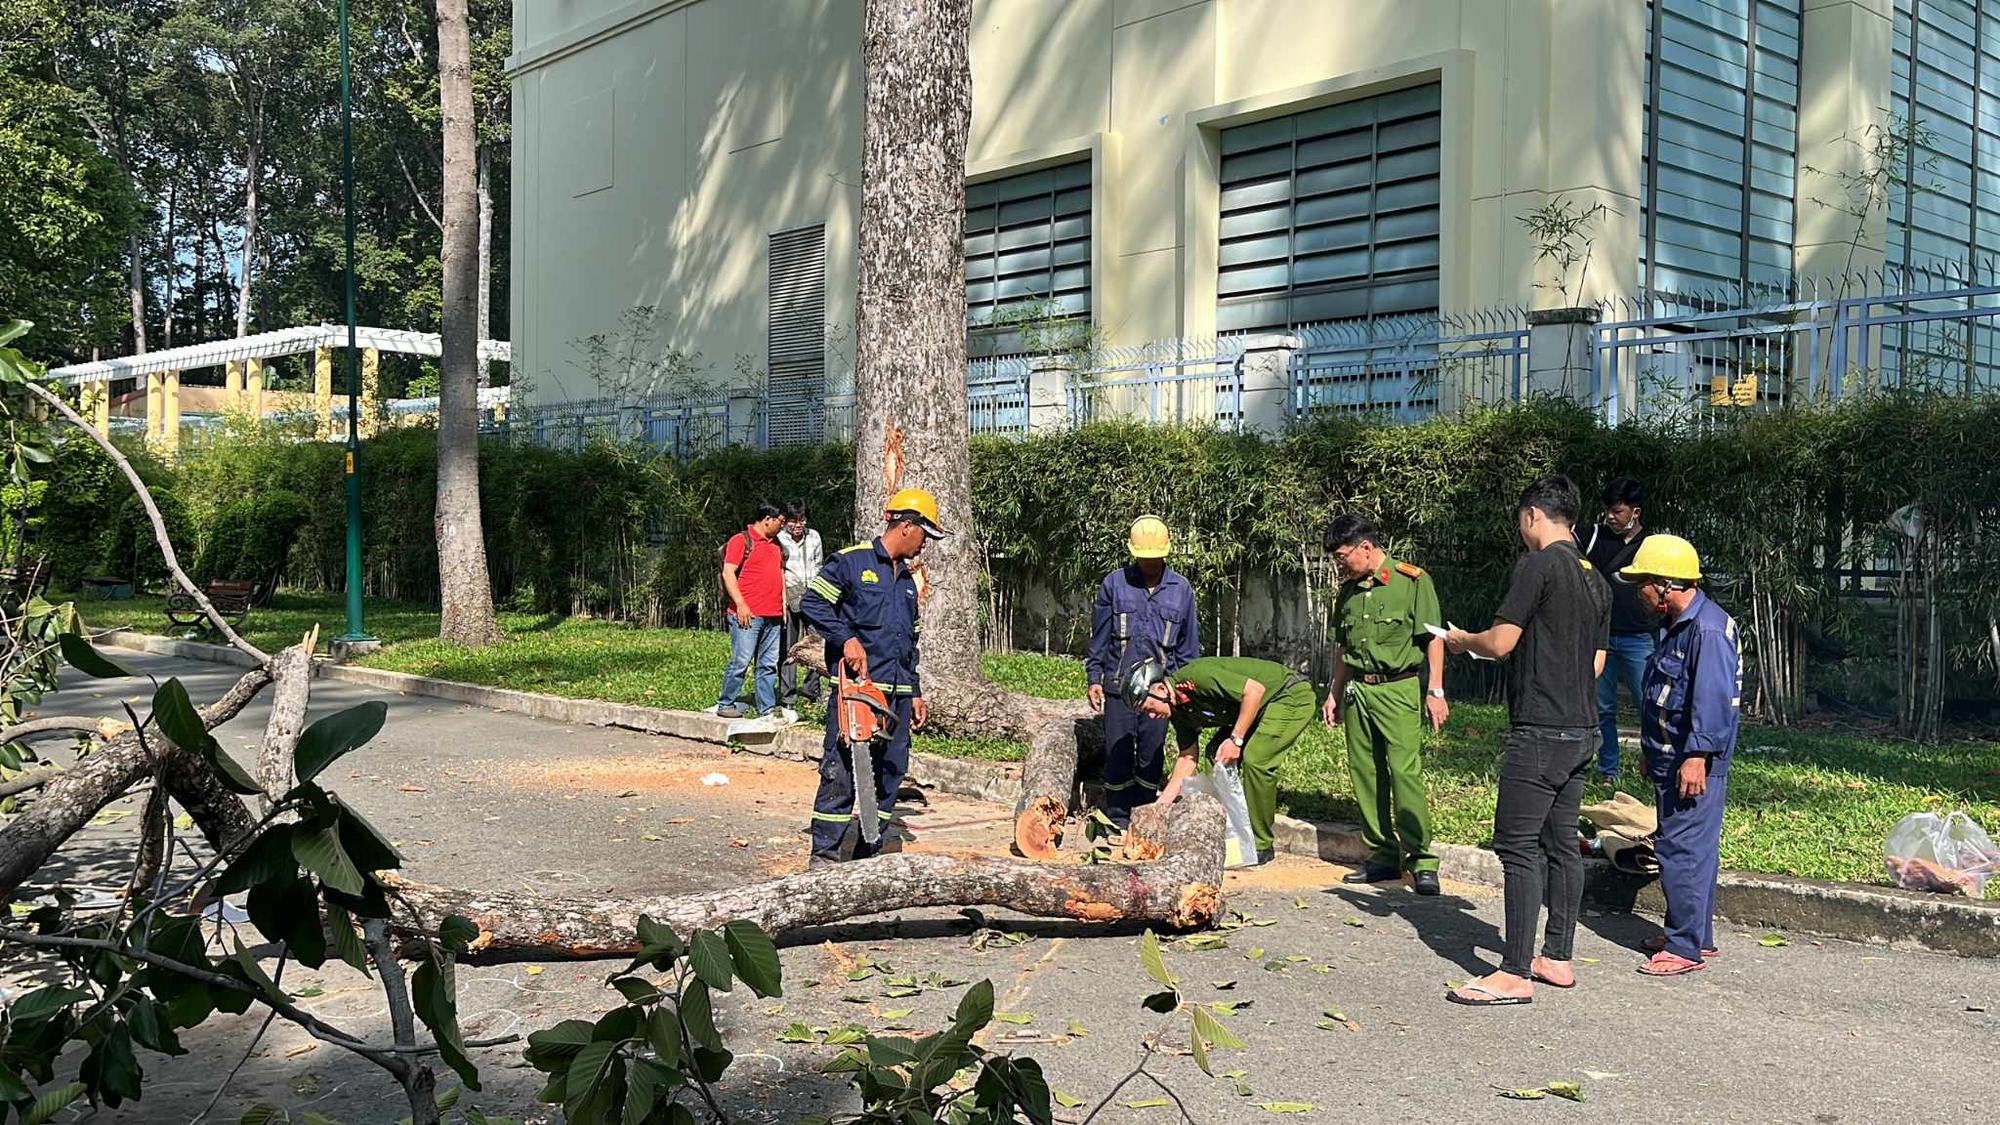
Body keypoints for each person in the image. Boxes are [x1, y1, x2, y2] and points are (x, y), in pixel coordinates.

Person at [1444, 475, 1608, 1007]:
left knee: (1516, 846)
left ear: (1533, 515)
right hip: (1583, 730)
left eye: (1521, 519)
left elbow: (1500, 643)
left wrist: (1461, 640)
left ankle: (1514, 970)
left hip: (1538, 730)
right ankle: (1556, 957)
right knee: (1562, 845)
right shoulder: (1595, 578)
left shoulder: (1536, 566)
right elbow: (1598, 663)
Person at [798, 487, 944, 864]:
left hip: (896, 697)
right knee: (842, 773)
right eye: (926, 534)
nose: (925, 544)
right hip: (858, 694)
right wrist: (845, 638)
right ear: (908, 527)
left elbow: (909, 644)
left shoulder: (908, 583)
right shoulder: (851, 562)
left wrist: (914, 692)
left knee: (891, 773)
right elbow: (812, 602)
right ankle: (825, 856)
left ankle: (868, 855)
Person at [1619, 534, 1739, 976]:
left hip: (1692, 761)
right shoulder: (1681, 622)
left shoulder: (1706, 630)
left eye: (1643, 585)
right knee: (1695, 849)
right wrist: (1654, 748)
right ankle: (1695, 935)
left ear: (1666, 584)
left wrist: (1696, 756)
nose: (1640, 593)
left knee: (1681, 849)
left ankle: (1684, 946)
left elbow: (1712, 698)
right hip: (1672, 755)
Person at [1321, 514, 1448, 896]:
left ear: (1365, 547)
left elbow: (1434, 638)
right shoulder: (1348, 591)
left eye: (1343, 556)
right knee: (1366, 774)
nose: (1340, 563)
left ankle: (1422, 861)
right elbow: (1343, 647)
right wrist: (1334, 691)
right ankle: (1382, 854)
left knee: (1403, 772)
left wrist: (1436, 690)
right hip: (1359, 691)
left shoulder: (1412, 581)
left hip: (1399, 689)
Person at [1127, 654, 1316, 865]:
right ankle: (1229, 832)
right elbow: (1188, 758)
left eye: (1148, 708)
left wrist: (1236, 740)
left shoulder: (1198, 678)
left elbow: (1255, 691)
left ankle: (1260, 844)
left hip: (1287, 695)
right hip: (1257, 708)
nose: (1151, 716)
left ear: (1161, 690)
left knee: (1257, 759)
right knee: (1214, 754)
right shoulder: (1179, 713)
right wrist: (1159, 807)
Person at [1086, 515, 1200, 830]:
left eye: (1155, 557)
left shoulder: (1181, 590)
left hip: (1159, 692)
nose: (1150, 564)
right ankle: (1117, 818)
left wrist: (1181, 692)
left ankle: (1145, 816)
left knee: (1151, 753)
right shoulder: (1114, 584)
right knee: (1118, 751)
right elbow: (1100, 636)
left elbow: (1188, 649)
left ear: (1165, 554)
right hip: (1119, 686)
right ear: (1134, 554)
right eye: (1144, 558)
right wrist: (1094, 678)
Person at [1580, 477, 1656, 783]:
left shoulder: (1651, 545)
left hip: (1638, 637)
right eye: (1608, 511)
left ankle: (1655, 761)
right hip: (1599, 637)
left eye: (1618, 511)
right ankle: (1607, 769)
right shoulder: (1593, 537)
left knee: (1651, 703)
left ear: (1635, 512)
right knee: (1604, 707)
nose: (1611, 517)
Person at [715, 502, 787, 720]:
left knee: (768, 664)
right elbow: (729, 573)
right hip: (748, 614)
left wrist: (782, 603)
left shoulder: (776, 545)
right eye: (780, 522)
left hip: (772, 614)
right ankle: (726, 702)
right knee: (741, 661)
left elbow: (780, 573)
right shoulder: (741, 541)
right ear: (768, 519)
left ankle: (766, 707)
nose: (782, 527)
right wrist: (741, 604)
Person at [777, 498, 825, 710]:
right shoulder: (778, 539)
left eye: (802, 519)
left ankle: (811, 688)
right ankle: (788, 696)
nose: (797, 525)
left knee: (818, 641)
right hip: (789, 595)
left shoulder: (814, 536)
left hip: (813, 595)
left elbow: (819, 565)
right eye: (793, 520)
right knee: (789, 647)